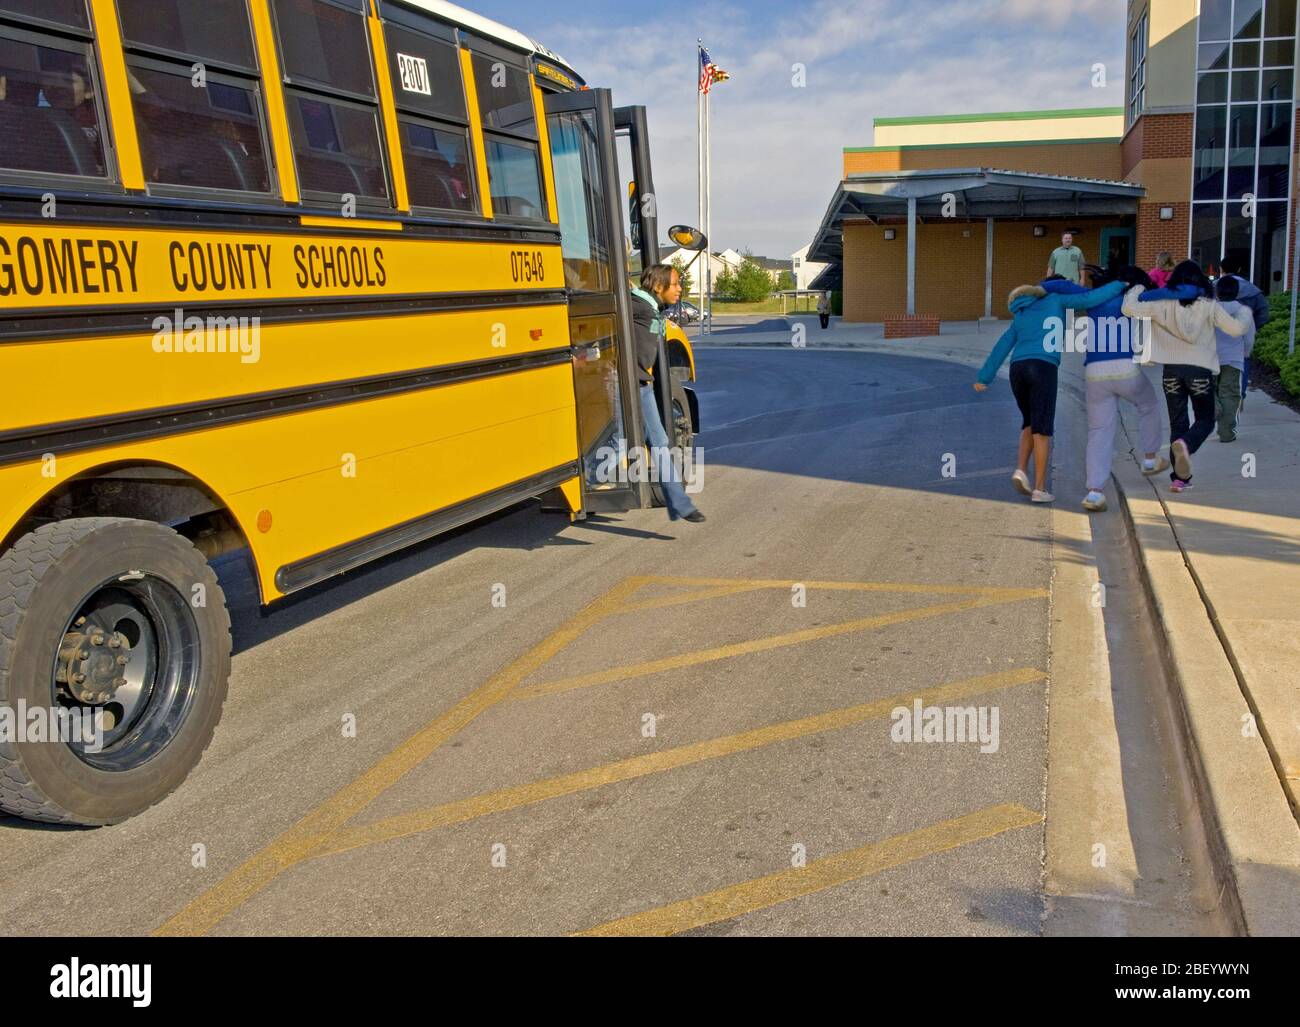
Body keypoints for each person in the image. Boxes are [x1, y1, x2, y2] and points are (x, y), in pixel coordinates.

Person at [974, 273, 1127, 503]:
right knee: (1042, 429)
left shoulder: (1022, 311)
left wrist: (984, 377)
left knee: (1029, 422)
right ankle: (1039, 489)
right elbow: (1090, 298)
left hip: (1018, 369)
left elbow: (1003, 343)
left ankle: (1021, 470)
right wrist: (1119, 283)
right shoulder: (1057, 299)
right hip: (1043, 367)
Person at [1040, 266, 1169, 512]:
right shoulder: (1132, 298)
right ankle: (1150, 458)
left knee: (1099, 430)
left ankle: (1095, 492)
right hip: (1125, 368)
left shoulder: (1093, 299)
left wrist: (1040, 287)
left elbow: (1058, 286)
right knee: (1149, 404)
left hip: (1094, 372)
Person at [1124, 260, 1252, 492]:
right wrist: (1244, 312)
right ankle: (1186, 445)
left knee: (1178, 422)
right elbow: (1236, 329)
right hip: (1200, 370)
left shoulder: (1162, 303)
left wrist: (1138, 288)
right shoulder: (1208, 305)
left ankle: (1179, 478)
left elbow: (1129, 308)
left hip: (1171, 371)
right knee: (1205, 419)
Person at [630, 265, 706, 523]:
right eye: (675, 284)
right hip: (626, 388)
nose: (680, 289)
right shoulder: (637, 305)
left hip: (643, 385)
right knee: (626, 442)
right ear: (658, 285)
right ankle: (680, 505)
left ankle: (679, 505)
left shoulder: (650, 308)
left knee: (660, 443)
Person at [1211, 275, 1255, 443]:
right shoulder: (1244, 311)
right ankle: (1226, 432)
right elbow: (1249, 338)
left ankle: (1214, 408)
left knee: (1210, 391)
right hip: (1233, 359)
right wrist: (1245, 353)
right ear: (1237, 292)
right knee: (1229, 395)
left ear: (1217, 292)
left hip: (1210, 359)